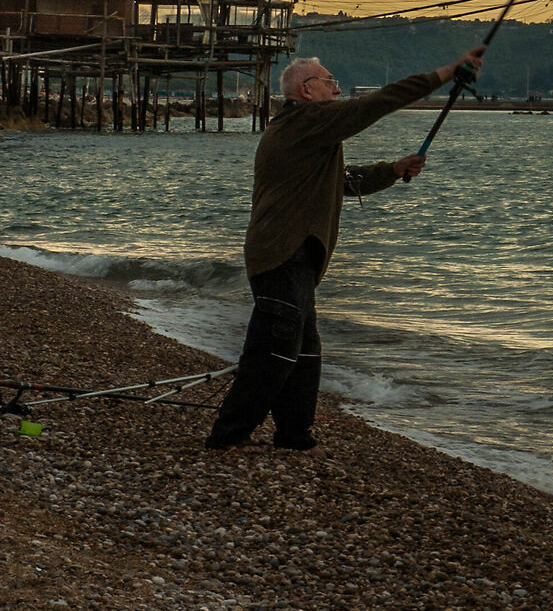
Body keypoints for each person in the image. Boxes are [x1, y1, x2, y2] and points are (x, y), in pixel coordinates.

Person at [205, 47, 483, 451]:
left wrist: (392, 170)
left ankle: (294, 435)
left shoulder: (307, 132)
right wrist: (445, 73)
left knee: (304, 352)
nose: (337, 90)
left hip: (296, 255)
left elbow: (343, 180)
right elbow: (376, 104)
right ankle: (228, 435)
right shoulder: (305, 122)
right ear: (307, 90)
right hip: (281, 254)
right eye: (330, 82)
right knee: (275, 350)